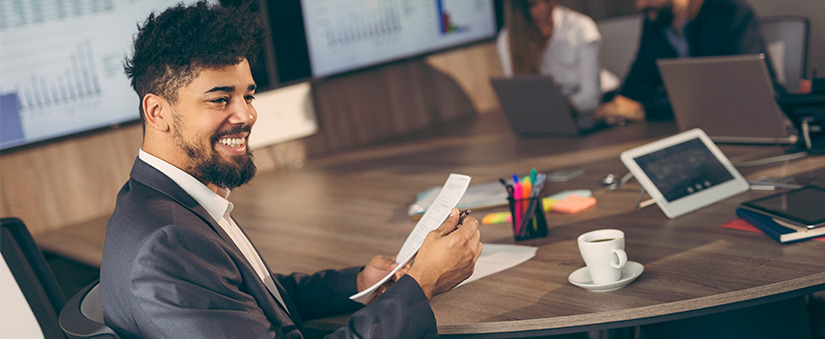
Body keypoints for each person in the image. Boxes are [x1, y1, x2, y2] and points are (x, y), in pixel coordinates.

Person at [99, 2, 482, 338]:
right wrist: (421, 283)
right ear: (157, 112)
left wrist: (358, 284)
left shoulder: (162, 202)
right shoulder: (167, 245)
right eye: (220, 99)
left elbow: (250, 294)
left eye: (248, 95)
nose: (246, 114)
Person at [595, 0, 771, 122]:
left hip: (751, 122)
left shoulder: (731, 13)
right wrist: (616, 105)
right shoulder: (656, 23)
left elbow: (735, 90)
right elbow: (637, 85)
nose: (640, 5)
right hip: (687, 129)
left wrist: (646, 110)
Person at [497, 0, 620, 116]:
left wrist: (550, 111)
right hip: (553, 114)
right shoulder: (508, 40)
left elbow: (590, 98)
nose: (544, 9)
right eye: (532, 4)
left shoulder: (580, 27)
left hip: (604, 104)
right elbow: (518, 98)